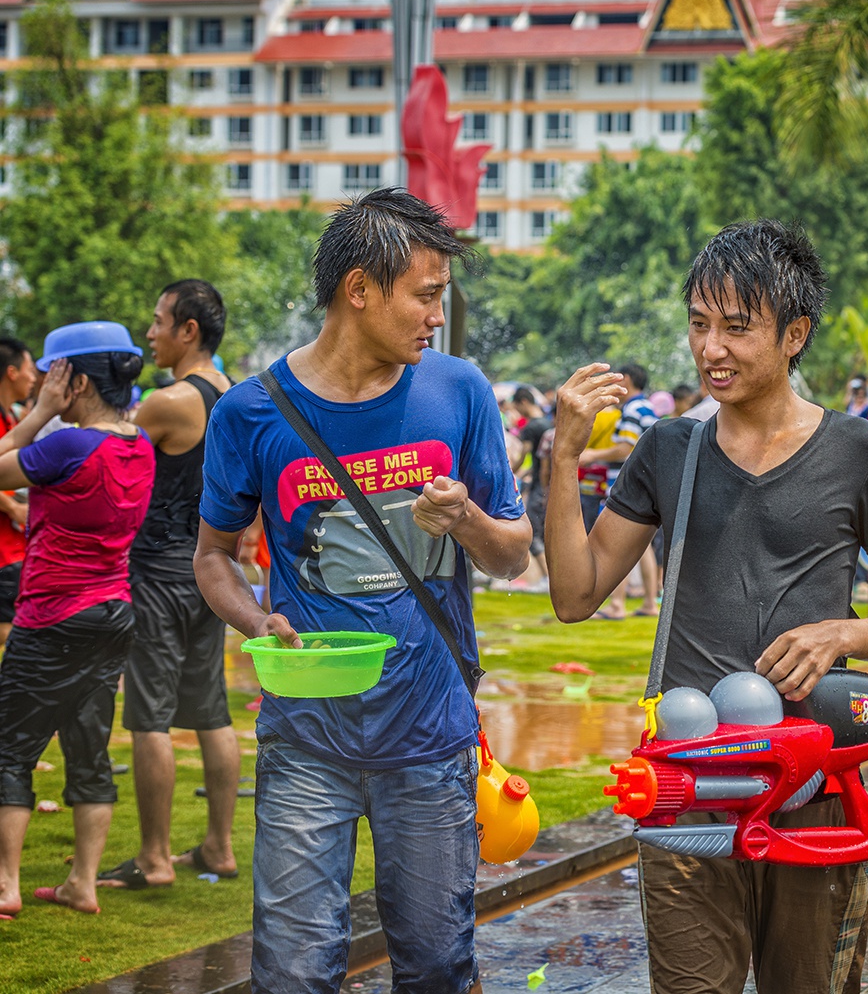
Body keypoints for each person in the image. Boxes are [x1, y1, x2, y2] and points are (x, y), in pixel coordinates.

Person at [546, 219, 868, 994]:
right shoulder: (668, 449)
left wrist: (841, 631)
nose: (709, 348)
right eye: (698, 323)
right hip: (688, 786)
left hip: (813, 786)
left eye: (735, 327)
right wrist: (561, 457)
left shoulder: (863, 452)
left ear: (795, 334)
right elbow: (575, 594)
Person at [193, 188, 531, 993]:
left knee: (439, 966)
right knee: (293, 972)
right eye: (425, 296)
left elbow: (515, 555)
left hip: (431, 738)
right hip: (307, 740)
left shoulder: (457, 391)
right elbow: (211, 557)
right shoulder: (251, 412)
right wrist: (254, 619)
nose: (434, 318)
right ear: (359, 291)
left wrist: (468, 519)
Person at [0, 329, 153, 918]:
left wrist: (39, 413)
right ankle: (81, 884)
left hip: (52, 615)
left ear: (78, 382)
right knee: (88, 750)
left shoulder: (68, 447)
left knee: (10, 751)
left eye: (53, 375)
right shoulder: (139, 444)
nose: (43, 385)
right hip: (113, 613)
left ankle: (7, 886)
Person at [96, 281, 240, 892]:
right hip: (214, 568)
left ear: (188, 330)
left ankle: (154, 859)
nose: (148, 333)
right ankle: (219, 846)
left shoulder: (165, 401)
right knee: (211, 710)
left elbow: (101, 460)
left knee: (149, 717)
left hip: (158, 569)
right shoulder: (236, 396)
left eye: (157, 321)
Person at [578, 363, 660, 619]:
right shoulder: (647, 407)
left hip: (628, 486)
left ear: (626, 380)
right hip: (647, 484)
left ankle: (617, 605)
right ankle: (649, 602)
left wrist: (592, 455)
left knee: (616, 543)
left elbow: (626, 448)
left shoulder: (633, 409)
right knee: (642, 545)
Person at [0, 339, 38, 645]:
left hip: (12, 544)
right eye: (29, 369)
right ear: (12, 372)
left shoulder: (12, 416)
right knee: (9, 629)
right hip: (4, 549)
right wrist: (13, 509)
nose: (34, 377)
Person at [513, 385, 552, 586]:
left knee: (534, 532)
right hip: (552, 483)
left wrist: (509, 469)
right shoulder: (547, 423)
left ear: (524, 402)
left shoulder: (531, 428)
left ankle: (548, 579)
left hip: (541, 485)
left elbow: (524, 455)